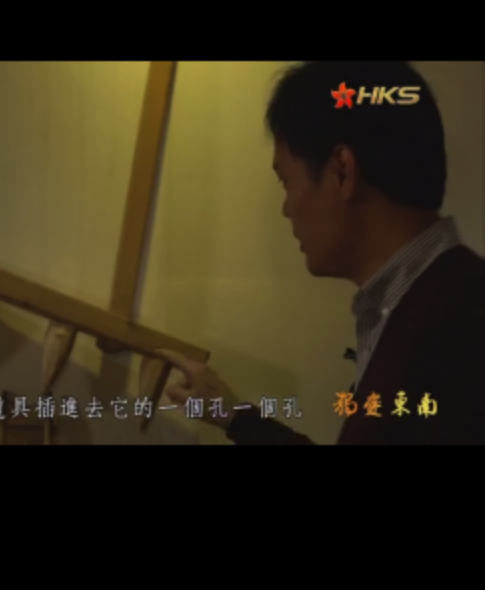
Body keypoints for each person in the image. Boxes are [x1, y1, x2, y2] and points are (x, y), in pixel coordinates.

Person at [155, 60, 485, 445]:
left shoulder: (464, 322)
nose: (286, 208)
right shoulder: (421, 304)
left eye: (286, 181)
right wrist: (232, 416)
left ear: (343, 171)